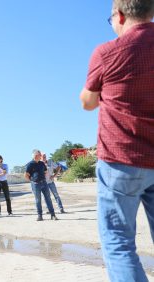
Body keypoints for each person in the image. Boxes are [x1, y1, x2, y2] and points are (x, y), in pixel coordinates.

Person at [80, 1, 154, 280]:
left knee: (118, 242)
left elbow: (87, 102)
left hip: (122, 159)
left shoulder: (107, 52)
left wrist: (109, 92)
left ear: (119, 15)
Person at [25, 150, 57, 221]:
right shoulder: (30, 164)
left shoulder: (42, 163)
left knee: (48, 199)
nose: (41, 156)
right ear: (35, 156)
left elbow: (45, 172)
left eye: (40, 155)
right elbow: (26, 175)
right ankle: (40, 216)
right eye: (40, 155)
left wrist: (42, 178)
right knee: (38, 200)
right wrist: (32, 181)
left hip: (44, 183)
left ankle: (53, 215)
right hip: (35, 184)